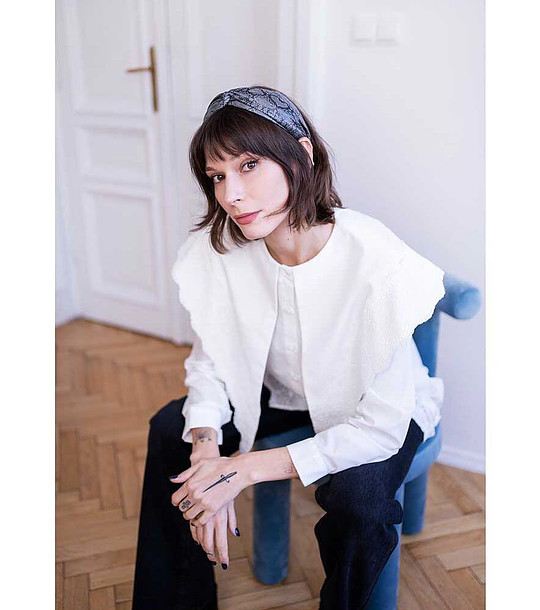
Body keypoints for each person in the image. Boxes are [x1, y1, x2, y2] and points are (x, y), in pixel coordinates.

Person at [132, 85, 446, 610]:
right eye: (217, 176)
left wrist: (243, 469)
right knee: (172, 428)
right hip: (281, 394)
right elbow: (211, 363)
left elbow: (380, 428)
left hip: (374, 411)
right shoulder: (221, 251)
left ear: (301, 154)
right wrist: (206, 451)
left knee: (362, 504)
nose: (231, 195)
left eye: (248, 165)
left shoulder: (374, 257)